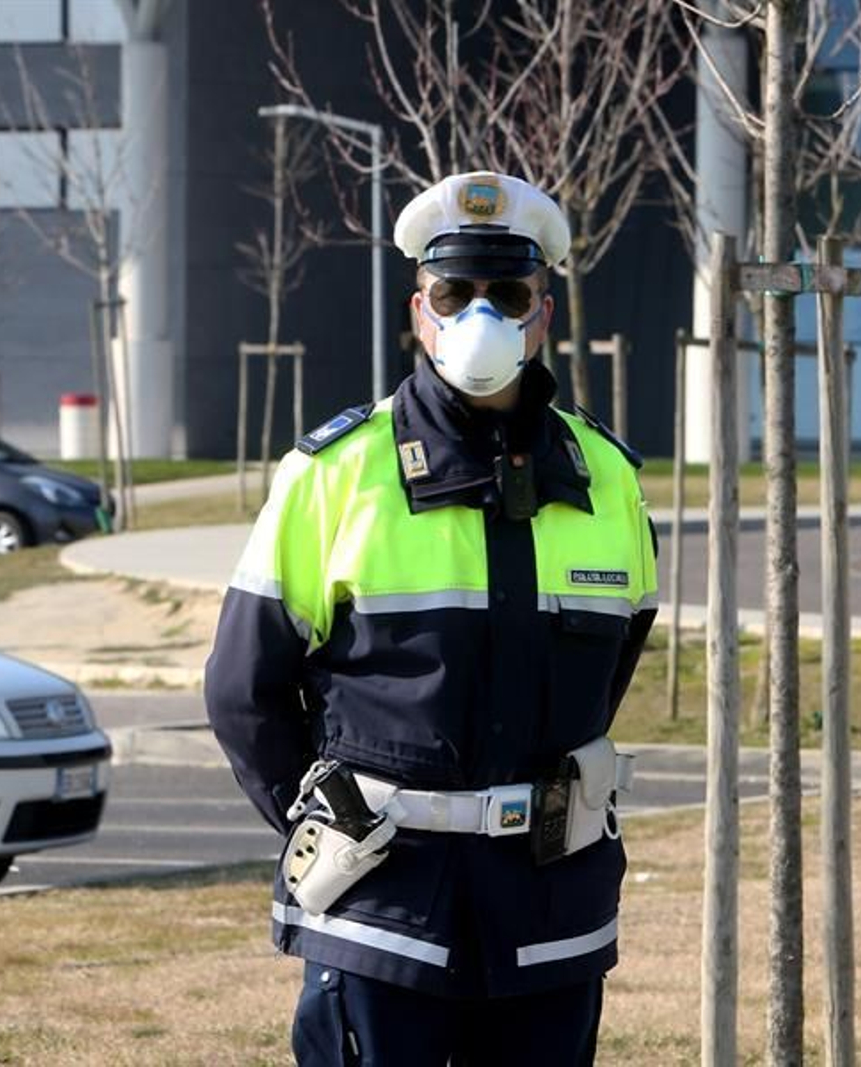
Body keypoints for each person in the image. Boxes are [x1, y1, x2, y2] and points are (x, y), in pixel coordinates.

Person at [204, 170, 658, 1066]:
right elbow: (242, 689)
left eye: (508, 294)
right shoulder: (333, 474)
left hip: (550, 908)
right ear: (421, 312)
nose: (479, 314)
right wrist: (322, 824)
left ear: (543, 315)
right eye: (454, 292)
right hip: (381, 910)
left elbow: (613, 668)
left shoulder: (608, 476)